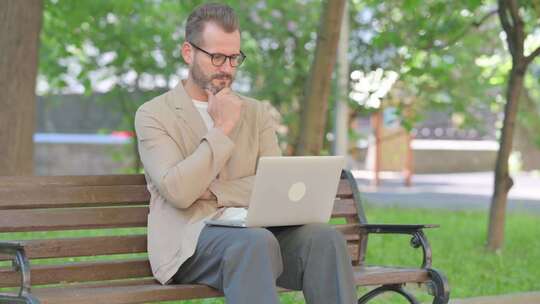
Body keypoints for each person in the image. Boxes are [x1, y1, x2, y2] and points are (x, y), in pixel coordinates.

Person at [134, 3, 357, 304]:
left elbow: (272, 185)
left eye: (234, 58)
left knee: (324, 238)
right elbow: (179, 191)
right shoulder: (153, 115)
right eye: (216, 57)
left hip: (257, 234)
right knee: (255, 242)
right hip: (189, 243)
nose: (226, 68)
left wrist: (212, 191)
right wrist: (222, 128)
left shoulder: (256, 113)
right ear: (188, 52)